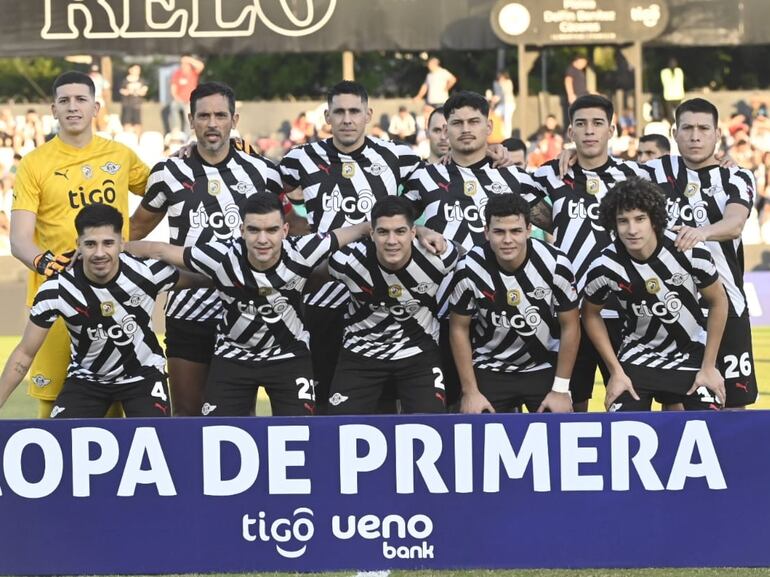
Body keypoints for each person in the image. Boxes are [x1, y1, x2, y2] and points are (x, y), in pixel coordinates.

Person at [279, 80, 448, 412]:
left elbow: (436, 189)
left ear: (368, 114)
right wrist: (298, 233)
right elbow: (261, 190)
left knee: (389, 403)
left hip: (380, 294)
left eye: (354, 111)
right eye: (338, 112)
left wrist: (423, 228)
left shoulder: (397, 155)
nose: (346, 119)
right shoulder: (302, 158)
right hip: (324, 295)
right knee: (331, 403)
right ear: (326, 116)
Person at [128, 81, 290, 416]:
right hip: (188, 310)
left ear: (234, 119)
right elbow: (135, 229)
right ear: (191, 120)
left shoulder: (262, 172)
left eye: (220, 115)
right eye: (204, 116)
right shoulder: (169, 173)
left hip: (247, 309)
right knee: (187, 416)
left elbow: (291, 230)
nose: (212, 123)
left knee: (238, 418)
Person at [127, 194, 369, 416]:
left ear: (285, 230)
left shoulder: (303, 251)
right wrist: (114, 248)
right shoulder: (222, 255)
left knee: (302, 433)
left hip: (289, 356)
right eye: (253, 230)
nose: (262, 239)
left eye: (271, 230)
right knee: (217, 435)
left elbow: (356, 230)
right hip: (233, 357)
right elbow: (160, 250)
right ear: (241, 230)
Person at [10, 71, 150, 418]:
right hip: (60, 299)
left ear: (95, 107)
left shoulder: (120, 155)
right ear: (53, 109)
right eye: (64, 100)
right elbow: (18, 239)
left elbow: (165, 193)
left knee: (119, 400)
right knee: (53, 401)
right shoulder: (34, 163)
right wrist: (48, 265)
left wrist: (134, 238)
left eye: (81, 99)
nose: (73, 107)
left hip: (116, 298)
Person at [403, 91, 547, 407]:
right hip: (442, 309)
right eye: (456, 123)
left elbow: (551, 222)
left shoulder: (514, 176)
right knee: (448, 405)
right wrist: (422, 228)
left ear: (488, 126)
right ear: (446, 130)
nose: (465, 129)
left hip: (504, 313)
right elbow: (398, 224)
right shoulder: (424, 177)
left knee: (498, 408)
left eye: (473, 121)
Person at [0, 204, 199, 417]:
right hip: (87, 379)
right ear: (78, 245)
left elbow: (210, 279)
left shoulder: (147, 272)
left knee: (154, 439)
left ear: (122, 243)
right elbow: (24, 353)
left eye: (108, 243)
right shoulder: (57, 289)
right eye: (90, 244)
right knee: (62, 441)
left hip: (144, 375)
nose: (99, 253)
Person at [530, 94, 651, 412]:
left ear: (612, 130)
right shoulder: (548, 175)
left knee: (628, 404)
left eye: (598, 123)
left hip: (622, 310)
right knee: (570, 406)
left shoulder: (632, 177)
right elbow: (507, 201)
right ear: (570, 133)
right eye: (580, 124)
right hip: (567, 310)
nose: (589, 131)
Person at [645, 97, 757, 408]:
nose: (695, 136)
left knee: (735, 405)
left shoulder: (736, 176)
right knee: (677, 405)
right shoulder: (652, 172)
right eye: (688, 128)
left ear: (717, 135)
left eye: (704, 129)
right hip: (675, 308)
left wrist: (701, 233)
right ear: (674, 132)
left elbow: (735, 223)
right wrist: (568, 157)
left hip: (729, 304)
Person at [582, 177, 727, 411]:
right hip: (638, 357)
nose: (632, 229)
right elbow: (590, 314)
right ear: (612, 224)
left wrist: (709, 366)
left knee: (709, 431)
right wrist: (615, 371)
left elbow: (718, 301)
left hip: (692, 355)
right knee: (622, 432)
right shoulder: (605, 265)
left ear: (654, 219)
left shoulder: (689, 251)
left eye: (640, 219)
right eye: (623, 221)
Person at [326, 196, 458, 414]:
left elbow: (472, 264)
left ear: (413, 233)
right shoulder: (347, 261)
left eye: (400, 231)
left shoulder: (439, 257)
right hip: (360, 352)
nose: (392, 241)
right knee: (340, 430)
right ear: (371, 234)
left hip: (419, 352)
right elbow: (306, 275)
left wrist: (428, 231)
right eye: (383, 232)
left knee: (432, 428)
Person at [449, 193, 578, 414]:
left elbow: (571, 325)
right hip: (490, 366)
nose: (507, 240)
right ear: (486, 232)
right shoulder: (468, 267)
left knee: (556, 440)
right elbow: (459, 328)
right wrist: (470, 392)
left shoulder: (556, 263)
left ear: (529, 229)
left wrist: (561, 389)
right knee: (480, 441)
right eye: (499, 231)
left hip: (544, 365)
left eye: (516, 231)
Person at [169, 55, 205, 134]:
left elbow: (201, 66)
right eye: (182, 64)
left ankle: (187, 134)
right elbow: (173, 89)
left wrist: (188, 59)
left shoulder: (193, 72)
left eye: (186, 64)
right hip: (179, 100)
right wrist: (177, 98)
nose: (184, 66)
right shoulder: (177, 73)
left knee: (188, 116)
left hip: (190, 100)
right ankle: (176, 130)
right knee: (173, 106)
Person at [119, 64, 148, 134]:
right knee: (127, 122)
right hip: (127, 105)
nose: (137, 71)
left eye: (138, 69)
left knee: (137, 123)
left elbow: (144, 91)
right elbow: (121, 91)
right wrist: (128, 91)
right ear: (130, 70)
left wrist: (136, 91)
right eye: (135, 69)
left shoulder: (141, 81)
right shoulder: (125, 81)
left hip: (137, 105)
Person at [492, 71, 516, 139]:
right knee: (496, 116)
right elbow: (497, 94)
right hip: (501, 104)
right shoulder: (496, 83)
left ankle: (508, 136)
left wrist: (496, 98)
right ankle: (500, 133)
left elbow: (503, 94)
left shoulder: (508, 82)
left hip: (509, 103)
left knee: (507, 118)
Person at [660, 58, 685, 122]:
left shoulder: (678, 71)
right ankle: (672, 125)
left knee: (679, 114)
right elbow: (666, 82)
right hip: (669, 97)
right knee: (670, 115)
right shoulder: (665, 72)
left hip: (677, 96)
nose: (673, 64)